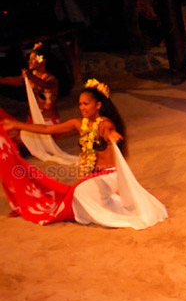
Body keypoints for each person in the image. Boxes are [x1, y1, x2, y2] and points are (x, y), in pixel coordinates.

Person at [0, 79, 167, 229]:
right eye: (80, 104)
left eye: (86, 104)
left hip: (110, 176)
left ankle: (113, 218)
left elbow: (107, 131)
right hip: (95, 176)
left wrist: (111, 136)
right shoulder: (78, 124)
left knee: (78, 192)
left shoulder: (105, 123)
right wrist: (17, 125)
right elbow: (46, 129)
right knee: (77, 195)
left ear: (98, 105)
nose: (82, 108)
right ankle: (109, 203)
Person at [0, 42, 61, 124]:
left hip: (48, 121)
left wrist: (30, 76)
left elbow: (46, 85)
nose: (29, 61)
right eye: (29, 59)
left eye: (32, 59)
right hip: (33, 119)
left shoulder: (51, 79)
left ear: (42, 60)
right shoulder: (30, 77)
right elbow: (11, 80)